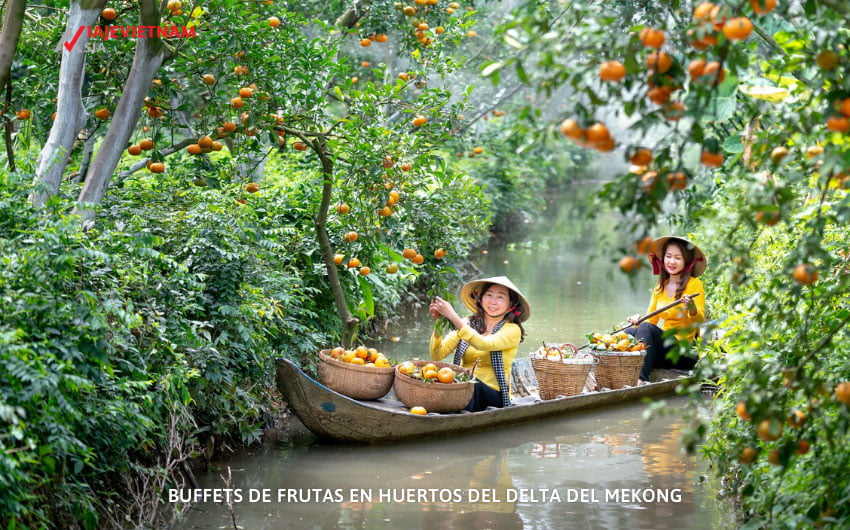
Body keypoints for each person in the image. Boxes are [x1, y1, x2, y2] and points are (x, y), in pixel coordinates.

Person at [429, 276, 529, 412]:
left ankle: (453, 416)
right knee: (438, 377)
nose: (493, 301)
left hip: (493, 395)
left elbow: (483, 344)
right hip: (463, 387)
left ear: (511, 304)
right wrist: (439, 322)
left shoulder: (512, 330)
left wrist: (453, 317)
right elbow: (437, 355)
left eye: (500, 297)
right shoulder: (467, 323)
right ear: (480, 299)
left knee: (472, 384)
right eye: (489, 295)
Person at [626, 236, 706, 385]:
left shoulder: (695, 284)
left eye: (677, 258)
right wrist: (637, 320)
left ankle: (640, 380)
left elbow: (700, 320)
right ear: (663, 259)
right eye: (668, 257)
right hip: (665, 349)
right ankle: (617, 372)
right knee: (629, 333)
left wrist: (692, 308)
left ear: (686, 261)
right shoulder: (659, 287)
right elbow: (650, 322)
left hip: (683, 352)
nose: (671, 261)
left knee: (645, 329)